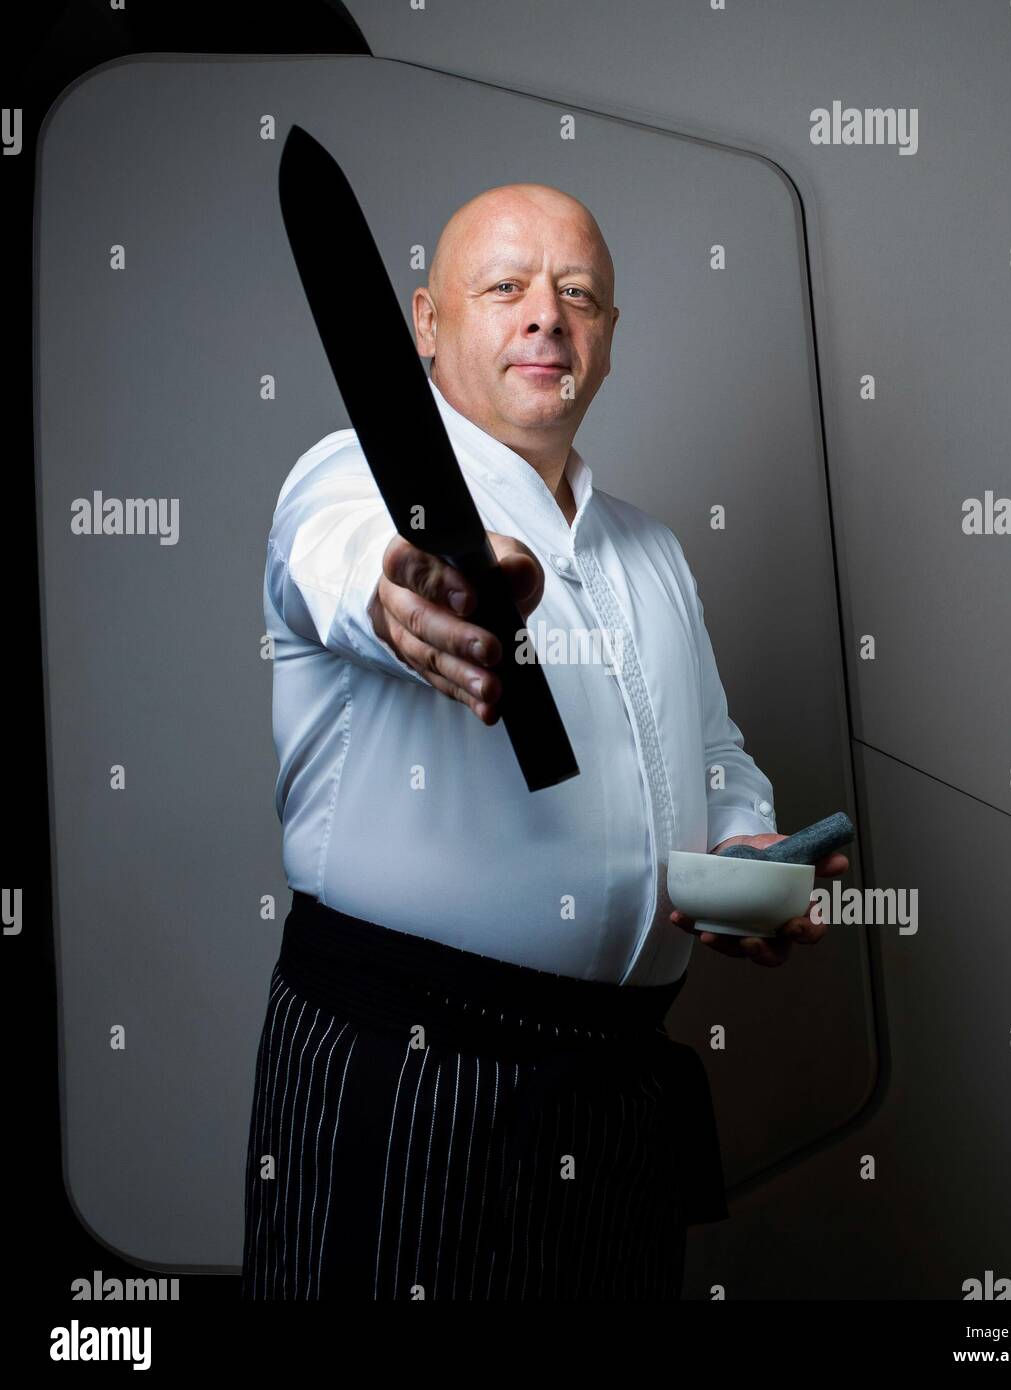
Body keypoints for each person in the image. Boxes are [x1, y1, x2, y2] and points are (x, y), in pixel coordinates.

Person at [241, 182, 848, 1301]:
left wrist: (744, 845)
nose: (546, 316)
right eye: (505, 287)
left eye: (578, 295)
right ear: (426, 322)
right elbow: (338, 564)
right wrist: (407, 601)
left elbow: (710, 747)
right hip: (411, 1073)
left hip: (617, 1093)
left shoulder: (652, 550)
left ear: (607, 339)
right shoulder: (347, 477)